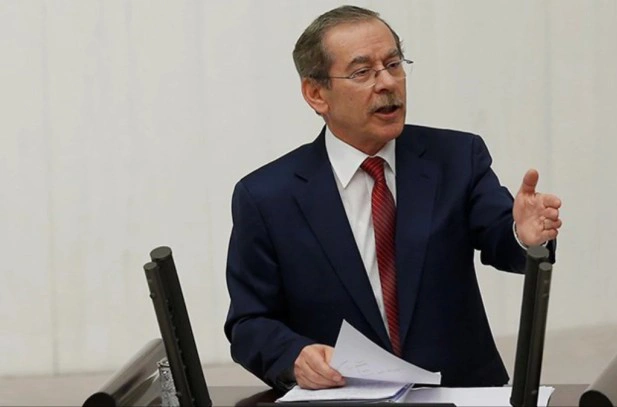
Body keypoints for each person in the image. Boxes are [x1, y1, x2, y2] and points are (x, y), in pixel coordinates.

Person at [224, 5, 562, 391]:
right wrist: (295, 357)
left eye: (393, 64)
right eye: (362, 72)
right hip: (345, 395)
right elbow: (249, 323)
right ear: (317, 94)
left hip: (459, 392)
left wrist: (524, 235)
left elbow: (503, 240)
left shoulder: (456, 158)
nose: (387, 82)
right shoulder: (267, 197)